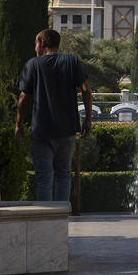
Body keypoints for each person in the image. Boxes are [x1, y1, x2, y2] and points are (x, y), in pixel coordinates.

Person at [15, 28, 92, 202]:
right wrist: (88, 119)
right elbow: (86, 90)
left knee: (44, 177)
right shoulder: (72, 62)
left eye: (36, 44)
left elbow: (23, 99)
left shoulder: (33, 65)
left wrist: (19, 124)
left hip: (42, 130)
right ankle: (61, 217)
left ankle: (46, 218)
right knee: (64, 174)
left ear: (42, 43)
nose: (35, 48)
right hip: (66, 129)